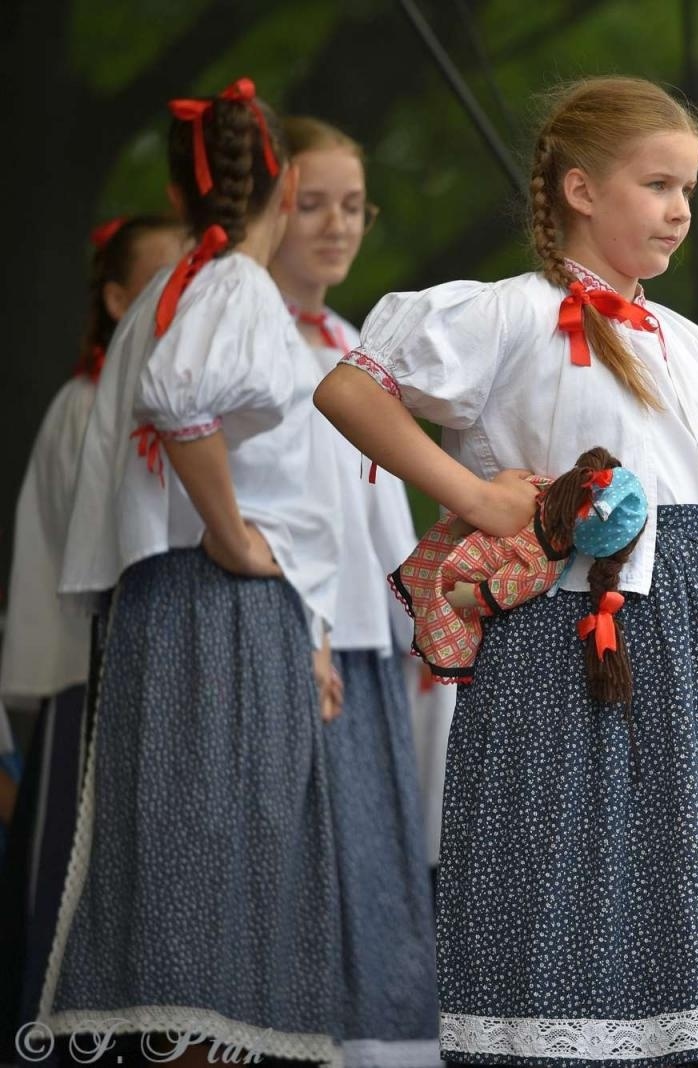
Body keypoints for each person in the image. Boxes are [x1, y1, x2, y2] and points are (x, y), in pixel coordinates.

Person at [313, 76, 698, 1066]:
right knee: (568, 898)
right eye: (657, 183)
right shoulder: (510, 315)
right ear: (582, 189)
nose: (679, 209)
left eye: (687, 189)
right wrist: (472, 493)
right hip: (574, 662)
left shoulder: (693, 346)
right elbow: (348, 388)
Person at [42, 77, 345, 1065]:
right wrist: (229, 531)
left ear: (182, 196)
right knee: (216, 878)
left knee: (184, 870)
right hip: (216, 604)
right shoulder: (232, 290)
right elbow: (183, 401)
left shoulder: (179, 295)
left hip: (172, 608)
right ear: (286, 183)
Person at [269, 114, 438, 1066]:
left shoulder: (349, 338)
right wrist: (306, 626)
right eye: (311, 204)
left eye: (355, 206)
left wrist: (421, 620)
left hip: (371, 638)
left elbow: (377, 509)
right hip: (297, 633)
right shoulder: (242, 333)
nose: (338, 226)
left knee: (375, 859)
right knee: (303, 866)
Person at [0, 213, 182, 1032]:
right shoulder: (88, 408)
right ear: (116, 298)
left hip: (141, 682)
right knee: (72, 900)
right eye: (159, 279)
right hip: (93, 680)